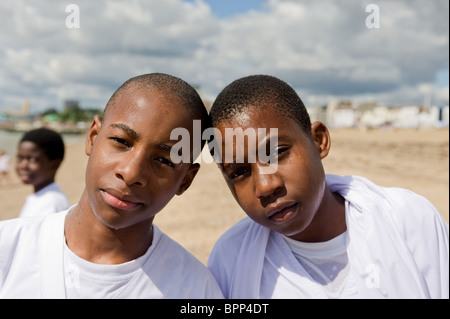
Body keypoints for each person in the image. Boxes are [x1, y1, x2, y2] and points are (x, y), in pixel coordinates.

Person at [207, 75, 449, 299]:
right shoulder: (231, 260)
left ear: (318, 141)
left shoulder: (408, 220)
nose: (266, 186)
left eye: (277, 153)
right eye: (239, 172)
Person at [0, 73, 223, 299]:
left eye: (164, 160)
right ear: (93, 136)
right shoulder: (8, 249)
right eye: (121, 142)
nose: (131, 173)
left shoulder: (196, 290)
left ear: (185, 180)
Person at [15, 128, 70, 218]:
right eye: (20, 158)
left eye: (33, 160)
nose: (23, 166)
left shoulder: (50, 204)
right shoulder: (41, 197)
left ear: (54, 164)